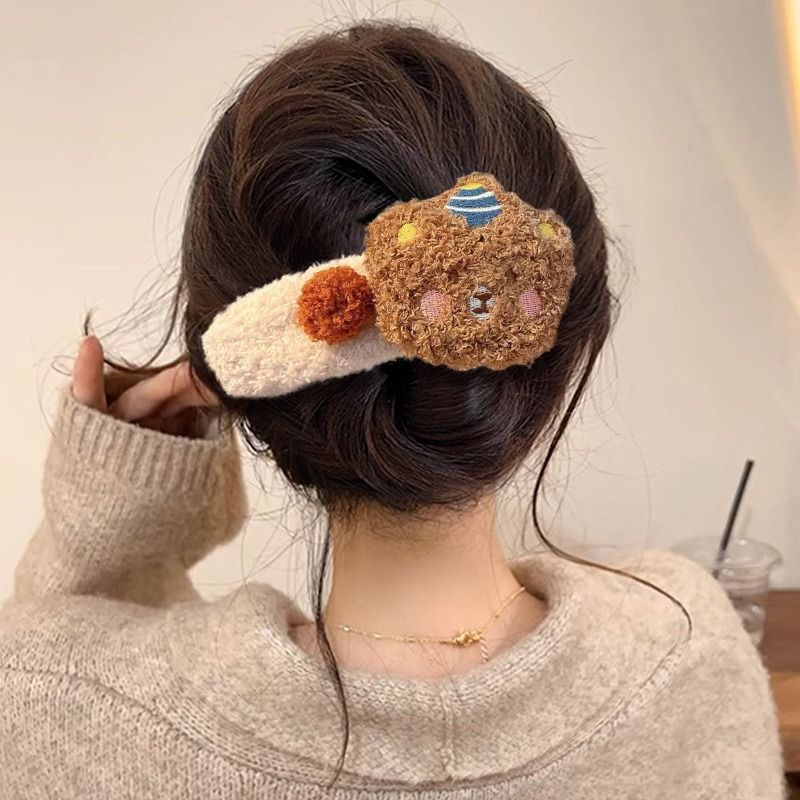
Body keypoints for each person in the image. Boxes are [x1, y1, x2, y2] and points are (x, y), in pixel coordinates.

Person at [0, 20, 786, 800]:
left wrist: (120, 499)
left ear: (244, 382)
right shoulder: (687, 648)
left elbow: (50, 690)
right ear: (560, 354)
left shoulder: (51, 691)